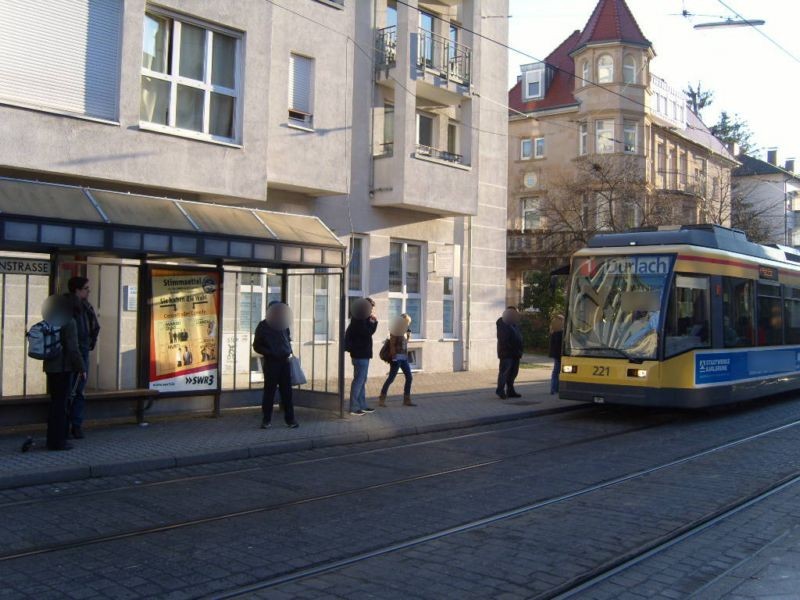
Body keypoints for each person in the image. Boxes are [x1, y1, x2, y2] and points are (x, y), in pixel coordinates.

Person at [42, 295, 86, 451]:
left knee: (55, 404)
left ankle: (52, 439)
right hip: (63, 367)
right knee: (61, 406)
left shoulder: (51, 319)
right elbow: (73, 349)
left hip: (50, 367)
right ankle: (58, 441)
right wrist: (81, 367)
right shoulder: (69, 322)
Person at [253, 302, 298, 429]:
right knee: (269, 392)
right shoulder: (263, 326)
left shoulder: (283, 324)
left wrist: (287, 350)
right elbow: (256, 346)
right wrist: (270, 352)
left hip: (284, 362)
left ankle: (290, 420)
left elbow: (287, 339)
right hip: (271, 362)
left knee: (287, 392)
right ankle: (266, 420)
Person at [66, 276, 100, 440]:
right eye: (86, 288)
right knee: (70, 389)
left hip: (83, 350)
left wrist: (91, 342)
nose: (89, 291)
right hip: (72, 353)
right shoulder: (69, 307)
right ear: (77, 290)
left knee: (79, 390)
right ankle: (67, 425)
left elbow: (94, 326)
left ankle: (76, 425)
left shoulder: (87, 306)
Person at [345, 297, 378, 416]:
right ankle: (354, 407)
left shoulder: (360, 319)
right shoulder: (359, 320)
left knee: (362, 380)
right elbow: (367, 333)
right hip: (360, 355)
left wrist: (371, 322)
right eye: (370, 308)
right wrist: (374, 323)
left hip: (361, 355)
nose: (371, 311)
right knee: (359, 381)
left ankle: (362, 405)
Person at [379, 313, 415, 407]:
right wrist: (394, 356)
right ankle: (382, 399)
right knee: (391, 378)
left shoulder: (405, 330)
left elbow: (405, 343)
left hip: (404, 357)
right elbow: (392, 344)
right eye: (407, 322)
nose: (408, 325)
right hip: (396, 358)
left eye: (408, 323)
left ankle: (406, 399)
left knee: (409, 377)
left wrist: (408, 335)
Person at [496, 306, 523, 399]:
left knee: (513, 373)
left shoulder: (514, 324)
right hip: (507, 353)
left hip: (516, 353)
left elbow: (518, 337)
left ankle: (510, 390)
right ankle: (500, 390)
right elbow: (504, 339)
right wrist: (511, 348)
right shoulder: (503, 324)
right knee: (504, 372)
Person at [548, 314, 564, 395]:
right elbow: (559, 345)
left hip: (556, 354)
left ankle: (554, 388)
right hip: (559, 355)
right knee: (556, 372)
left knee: (556, 372)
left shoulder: (553, 330)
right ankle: (554, 388)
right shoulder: (560, 332)